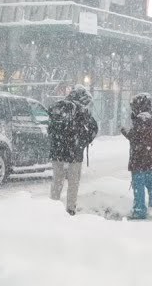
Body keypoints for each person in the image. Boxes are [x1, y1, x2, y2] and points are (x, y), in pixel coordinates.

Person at [48, 85, 98, 215]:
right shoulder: (82, 111)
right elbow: (93, 129)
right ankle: (70, 208)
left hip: (57, 152)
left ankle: (53, 206)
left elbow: (50, 129)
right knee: (73, 182)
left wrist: (57, 143)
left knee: (57, 181)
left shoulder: (59, 106)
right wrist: (82, 142)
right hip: (74, 153)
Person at [120, 93, 152, 220]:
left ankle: (139, 209)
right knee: (150, 179)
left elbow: (134, 137)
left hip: (139, 157)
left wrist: (124, 131)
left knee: (138, 182)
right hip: (150, 155)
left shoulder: (141, 120)